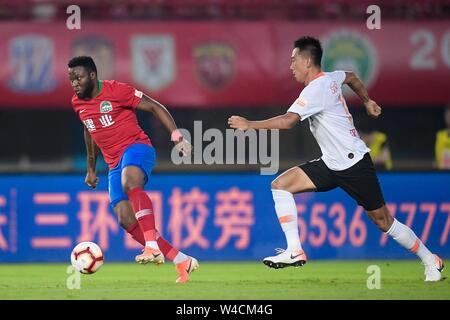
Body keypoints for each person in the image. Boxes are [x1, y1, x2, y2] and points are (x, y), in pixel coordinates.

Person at [228, 36, 443, 281]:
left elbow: (288, 122)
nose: (290, 66)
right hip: (331, 163)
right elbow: (350, 76)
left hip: (354, 164)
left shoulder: (315, 89)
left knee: (383, 222)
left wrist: (249, 124)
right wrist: (367, 100)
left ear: (307, 61)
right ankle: (294, 250)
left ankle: (430, 259)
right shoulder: (330, 78)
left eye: (293, 60)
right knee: (280, 185)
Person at [68, 56, 198, 283]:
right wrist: (91, 169)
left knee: (130, 184)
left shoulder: (116, 90)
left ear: (92, 75)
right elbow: (89, 130)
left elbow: (156, 107)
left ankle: (151, 246)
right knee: (125, 218)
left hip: (137, 148)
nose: (75, 83)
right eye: (71, 79)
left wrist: (177, 138)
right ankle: (181, 260)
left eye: (78, 77)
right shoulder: (77, 103)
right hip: (113, 164)